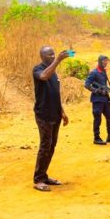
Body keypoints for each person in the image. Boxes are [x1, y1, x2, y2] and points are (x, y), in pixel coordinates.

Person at [32, 46, 71, 192]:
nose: (53, 56)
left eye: (54, 54)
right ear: (42, 56)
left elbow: (55, 93)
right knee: (45, 146)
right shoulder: (38, 69)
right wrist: (58, 60)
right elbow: (43, 76)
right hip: (44, 115)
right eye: (50, 54)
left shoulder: (53, 72)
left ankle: (43, 175)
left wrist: (62, 111)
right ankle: (38, 180)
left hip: (55, 114)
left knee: (51, 145)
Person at [84, 55, 110, 145]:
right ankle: (96, 138)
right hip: (97, 100)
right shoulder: (94, 73)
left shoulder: (103, 72)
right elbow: (86, 84)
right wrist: (96, 90)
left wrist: (109, 98)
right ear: (99, 61)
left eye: (106, 61)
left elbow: (104, 87)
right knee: (97, 119)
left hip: (105, 99)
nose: (106, 63)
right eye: (104, 61)